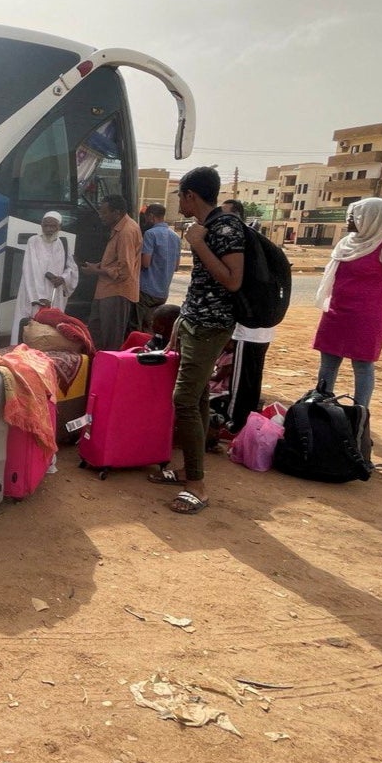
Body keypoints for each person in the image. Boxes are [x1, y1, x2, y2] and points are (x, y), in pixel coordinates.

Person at [147, 166, 244, 514]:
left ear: (191, 195)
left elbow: (232, 280)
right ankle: (190, 469)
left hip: (212, 327)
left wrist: (199, 244)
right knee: (198, 398)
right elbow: (200, 286)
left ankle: (198, 486)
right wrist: (180, 322)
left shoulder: (225, 228)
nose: (180, 203)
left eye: (182, 197)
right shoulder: (207, 228)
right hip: (194, 322)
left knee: (185, 401)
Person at [312, 196, 382, 408]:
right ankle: (321, 406)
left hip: (366, 319)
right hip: (336, 312)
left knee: (362, 365)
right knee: (328, 363)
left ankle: (360, 414)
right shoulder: (345, 244)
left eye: (354, 217)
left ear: (372, 218)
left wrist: (381, 315)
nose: (349, 221)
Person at [221, 199, 275, 433]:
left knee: (241, 379)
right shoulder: (256, 241)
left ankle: (234, 423)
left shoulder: (243, 244)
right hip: (262, 323)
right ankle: (249, 419)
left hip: (249, 326)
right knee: (252, 376)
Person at [81, 194, 140, 351]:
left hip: (116, 293)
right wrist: (99, 265)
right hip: (106, 292)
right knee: (95, 335)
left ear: (117, 213)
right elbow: (116, 261)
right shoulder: (119, 228)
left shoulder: (127, 231)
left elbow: (124, 270)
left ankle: (109, 373)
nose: (100, 216)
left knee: (111, 342)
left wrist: (97, 271)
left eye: (104, 212)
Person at [10, 211, 78, 345]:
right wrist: (39, 297)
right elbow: (30, 270)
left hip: (54, 292)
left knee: (50, 328)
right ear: (41, 226)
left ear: (59, 227)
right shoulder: (33, 241)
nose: (49, 229)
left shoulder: (63, 243)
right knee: (29, 326)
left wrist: (63, 278)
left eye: (52, 226)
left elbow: (72, 268)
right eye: (46, 226)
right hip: (32, 293)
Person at [137, 202, 181, 332]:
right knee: (152, 326)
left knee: (139, 326)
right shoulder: (176, 237)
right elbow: (176, 266)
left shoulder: (150, 234)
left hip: (146, 290)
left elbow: (145, 263)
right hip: (163, 291)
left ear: (151, 216)